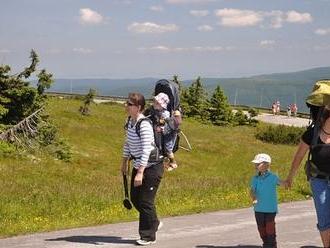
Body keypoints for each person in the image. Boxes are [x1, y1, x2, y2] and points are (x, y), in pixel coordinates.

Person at [121, 92, 164, 246]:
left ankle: (147, 236)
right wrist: (124, 161)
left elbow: (147, 149)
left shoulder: (144, 124)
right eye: (127, 103)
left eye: (129, 104)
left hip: (151, 168)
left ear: (138, 107)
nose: (126, 106)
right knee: (135, 199)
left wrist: (140, 172)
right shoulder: (130, 122)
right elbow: (128, 143)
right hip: (138, 164)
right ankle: (154, 222)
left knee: (145, 201)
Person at [285, 106, 330, 248]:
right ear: (325, 117)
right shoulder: (312, 134)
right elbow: (298, 157)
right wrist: (290, 178)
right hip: (318, 181)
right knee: (323, 219)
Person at [250, 153, 285, 248]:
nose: (256, 165)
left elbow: (282, 183)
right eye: (255, 164)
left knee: (270, 228)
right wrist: (254, 197)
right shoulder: (255, 178)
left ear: (267, 164)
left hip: (270, 209)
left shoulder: (273, 177)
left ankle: (272, 244)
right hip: (258, 208)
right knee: (261, 228)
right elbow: (252, 190)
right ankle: (266, 243)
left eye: (258, 163)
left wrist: (287, 182)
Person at [152, 92, 180, 171]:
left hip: (168, 134)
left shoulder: (165, 114)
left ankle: (173, 163)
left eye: (157, 103)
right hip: (163, 133)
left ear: (162, 105)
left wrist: (161, 128)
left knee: (168, 148)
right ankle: (164, 161)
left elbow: (169, 126)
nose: (154, 103)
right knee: (160, 145)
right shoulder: (158, 112)